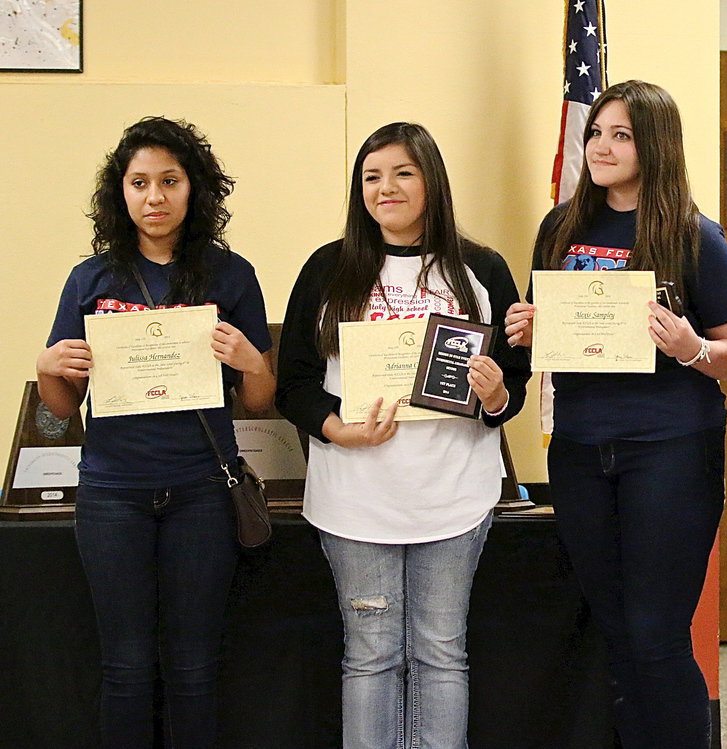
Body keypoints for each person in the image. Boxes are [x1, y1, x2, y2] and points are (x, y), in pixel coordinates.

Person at [504, 80, 727, 748]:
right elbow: (542, 325)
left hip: (670, 448)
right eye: (595, 133)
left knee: (656, 633)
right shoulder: (561, 228)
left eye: (621, 135)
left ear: (656, 145)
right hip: (581, 448)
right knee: (615, 632)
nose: (601, 146)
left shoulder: (695, 235)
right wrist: (526, 325)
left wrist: (691, 346)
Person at [275, 122, 529, 749]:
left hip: (453, 496)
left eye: (402, 173)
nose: (385, 188)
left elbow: (512, 388)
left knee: (443, 655)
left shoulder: (482, 269)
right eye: (371, 176)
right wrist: (340, 429)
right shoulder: (329, 268)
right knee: (370, 656)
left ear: (431, 181)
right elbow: (296, 383)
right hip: (355, 496)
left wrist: (496, 394)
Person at [36, 116, 274, 748]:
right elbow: (62, 407)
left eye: (169, 180)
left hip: (202, 491)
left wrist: (254, 362)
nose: (154, 197)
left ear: (194, 189)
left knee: (195, 669)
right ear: (121, 192)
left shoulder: (231, 274)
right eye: (139, 182)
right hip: (113, 494)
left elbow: (257, 400)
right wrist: (47, 368)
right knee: (126, 668)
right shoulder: (91, 279)